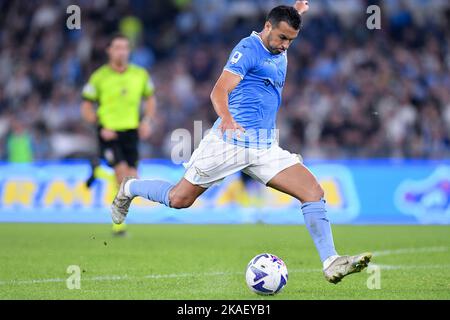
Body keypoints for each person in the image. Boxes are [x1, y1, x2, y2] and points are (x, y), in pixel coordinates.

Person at [111, 2, 371, 283]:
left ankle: (331, 261)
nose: (285, 46)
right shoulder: (247, 50)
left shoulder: (278, 42)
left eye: (291, 40)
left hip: (264, 145)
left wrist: (297, 9)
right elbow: (218, 91)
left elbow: (285, 29)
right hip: (229, 141)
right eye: (282, 38)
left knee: (312, 191)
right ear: (267, 27)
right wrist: (227, 118)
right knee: (179, 199)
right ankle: (130, 187)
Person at [81, 34, 156, 236]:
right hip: (109, 132)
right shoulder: (99, 77)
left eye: (125, 47)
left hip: (131, 132)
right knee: (122, 175)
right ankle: (118, 225)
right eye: (117, 47)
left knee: (132, 180)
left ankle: (99, 172)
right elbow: (86, 105)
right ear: (109, 50)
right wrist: (98, 125)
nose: (121, 51)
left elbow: (150, 100)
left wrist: (147, 121)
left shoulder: (140, 75)